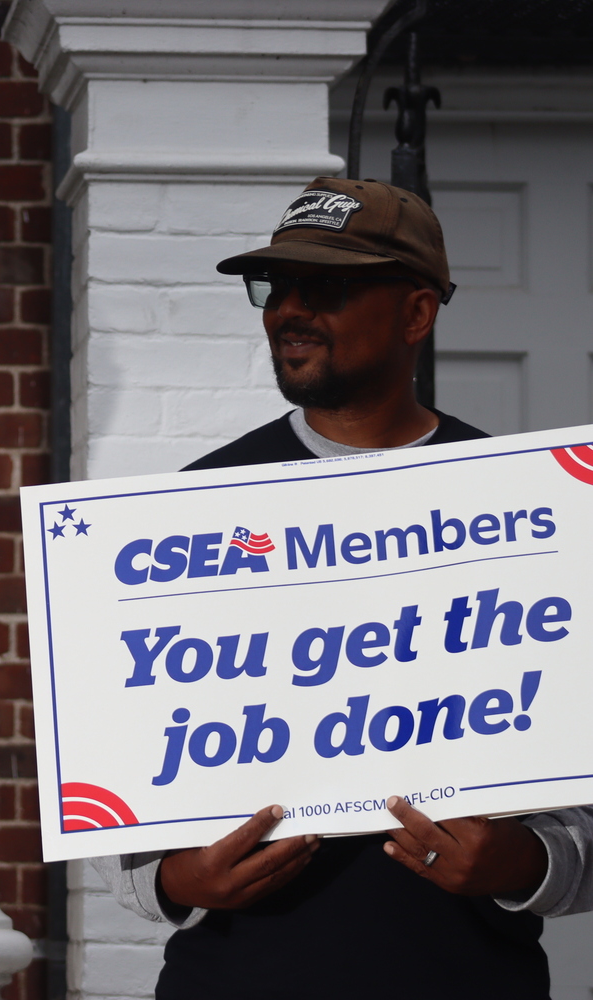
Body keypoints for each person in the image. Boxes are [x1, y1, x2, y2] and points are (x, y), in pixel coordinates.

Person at [93, 178, 593, 999]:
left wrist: (522, 861)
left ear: (417, 314)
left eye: (324, 286)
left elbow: (580, 826)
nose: (288, 309)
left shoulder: (530, 512)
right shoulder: (188, 515)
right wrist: (178, 882)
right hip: (237, 981)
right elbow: (131, 816)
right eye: (274, 286)